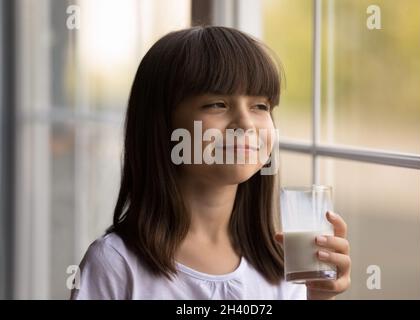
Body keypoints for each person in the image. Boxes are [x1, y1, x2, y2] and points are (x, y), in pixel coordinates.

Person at [70, 25, 351, 300]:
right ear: (162, 124)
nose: (245, 123)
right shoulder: (116, 265)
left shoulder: (283, 267)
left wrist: (317, 298)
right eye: (217, 104)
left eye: (260, 106)